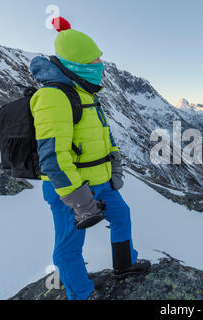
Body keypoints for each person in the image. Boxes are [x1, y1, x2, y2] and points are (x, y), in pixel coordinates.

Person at [29, 16, 150, 300]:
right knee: (69, 245)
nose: (101, 64)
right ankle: (81, 294)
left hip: (100, 182)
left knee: (122, 216)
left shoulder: (87, 93)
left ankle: (123, 264)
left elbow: (104, 137)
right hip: (70, 190)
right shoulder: (53, 97)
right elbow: (53, 158)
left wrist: (114, 166)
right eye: (94, 60)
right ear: (75, 64)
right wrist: (80, 201)